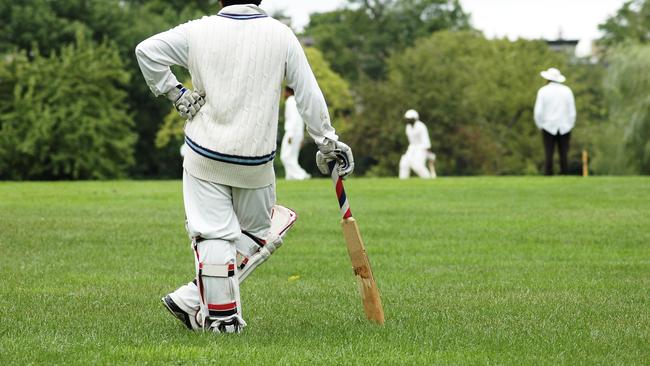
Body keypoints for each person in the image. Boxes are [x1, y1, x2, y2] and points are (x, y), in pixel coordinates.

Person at [135, 0, 354, 334]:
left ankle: (199, 301)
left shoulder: (197, 30)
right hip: (255, 158)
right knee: (258, 231)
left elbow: (147, 51)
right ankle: (220, 318)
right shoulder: (281, 35)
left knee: (215, 234)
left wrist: (176, 93)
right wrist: (327, 139)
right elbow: (308, 92)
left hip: (204, 152)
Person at [534, 67, 576, 175]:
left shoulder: (543, 91)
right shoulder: (567, 91)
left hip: (548, 125)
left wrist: (540, 125)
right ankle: (564, 173)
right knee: (564, 153)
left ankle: (548, 173)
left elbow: (538, 111)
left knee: (548, 152)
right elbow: (572, 111)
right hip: (565, 126)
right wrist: (570, 124)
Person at [280, 87, 311, 180]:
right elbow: (299, 120)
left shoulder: (290, 101)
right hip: (297, 133)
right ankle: (290, 177)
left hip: (292, 132)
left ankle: (301, 175)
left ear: (287, 91)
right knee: (292, 157)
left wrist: (291, 135)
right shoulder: (297, 101)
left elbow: (293, 119)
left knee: (285, 156)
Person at [399, 109, 433, 179]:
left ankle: (428, 179)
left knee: (418, 165)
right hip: (412, 147)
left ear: (414, 118)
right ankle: (403, 181)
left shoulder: (421, 126)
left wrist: (429, 153)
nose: (408, 121)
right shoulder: (408, 127)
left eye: (409, 119)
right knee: (404, 162)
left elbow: (426, 140)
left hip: (421, 148)